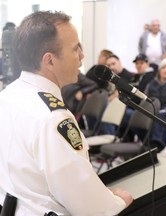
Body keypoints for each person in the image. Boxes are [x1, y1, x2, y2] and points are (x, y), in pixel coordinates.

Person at [0, 11, 132, 215]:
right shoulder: (52, 118)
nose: (82, 55)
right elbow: (90, 207)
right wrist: (118, 202)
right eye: (75, 48)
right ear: (50, 61)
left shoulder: (8, 96)